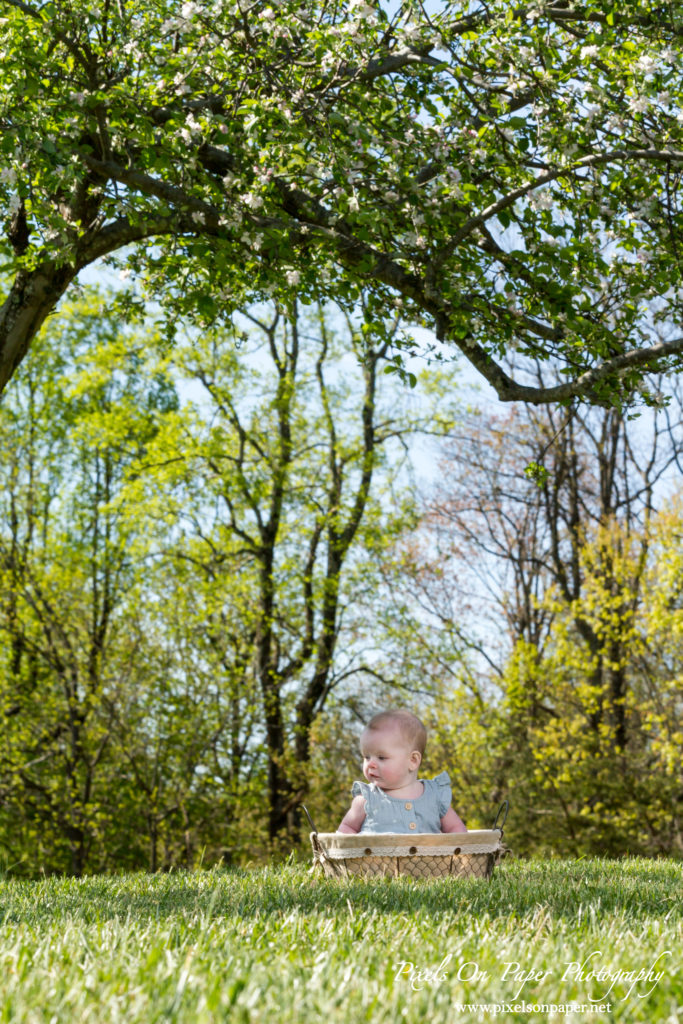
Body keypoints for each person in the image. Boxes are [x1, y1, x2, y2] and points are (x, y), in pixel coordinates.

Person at [337, 709, 467, 834]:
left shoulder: (434, 796)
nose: (370, 764)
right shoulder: (367, 798)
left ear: (413, 760)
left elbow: (456, 829)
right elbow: (346, 829)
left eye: (381, 757)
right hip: (376, 857)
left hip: (428, 857)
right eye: (366, 757)